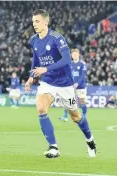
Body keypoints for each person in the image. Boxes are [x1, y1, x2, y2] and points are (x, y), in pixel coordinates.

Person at [25, 9, 96, 158]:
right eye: (33, 22)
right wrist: (31, 77)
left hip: (65, 84)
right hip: (47, 82)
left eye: (37, 21)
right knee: (41, 108)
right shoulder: (34, 40)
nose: (34, 24)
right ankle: (53, 147)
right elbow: (35, 59)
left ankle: (90, 139)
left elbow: (66, 60)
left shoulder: (57, 38)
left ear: (46, 22)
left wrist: (46, 68)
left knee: (76, 116)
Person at [59, 49, 88, 121]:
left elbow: (83, 75)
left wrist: (77, 83)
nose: (74, 55)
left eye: (75, 54)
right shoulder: (69, 64)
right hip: (71, 87)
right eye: (73, 54)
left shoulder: (82, 64)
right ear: (71, 56)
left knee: (82, 101)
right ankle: (65, 116)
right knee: (68, 101)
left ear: (78, 55)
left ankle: (84, 116)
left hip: (80, 86)